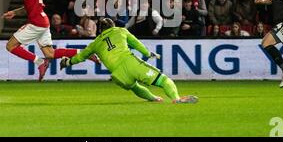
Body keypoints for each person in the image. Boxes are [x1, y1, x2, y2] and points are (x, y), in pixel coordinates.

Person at [60, 18, 198, 104]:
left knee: (134, 87)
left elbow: (80, 57)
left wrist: (67, 63)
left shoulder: (95, 43)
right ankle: (177, 99)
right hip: (130, 62)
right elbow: (136, 43)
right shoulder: (120, 31)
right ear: (113, 25)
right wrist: (147, 53)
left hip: (117, 75)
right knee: (164, 81)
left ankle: (153, 98)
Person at [2, 0, 97, 81]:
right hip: (42, 22)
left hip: (36, 23)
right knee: (50, 53)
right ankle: (86, 53)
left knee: (10, 46)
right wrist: (14, 12)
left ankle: (40, 62)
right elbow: (28, 7)